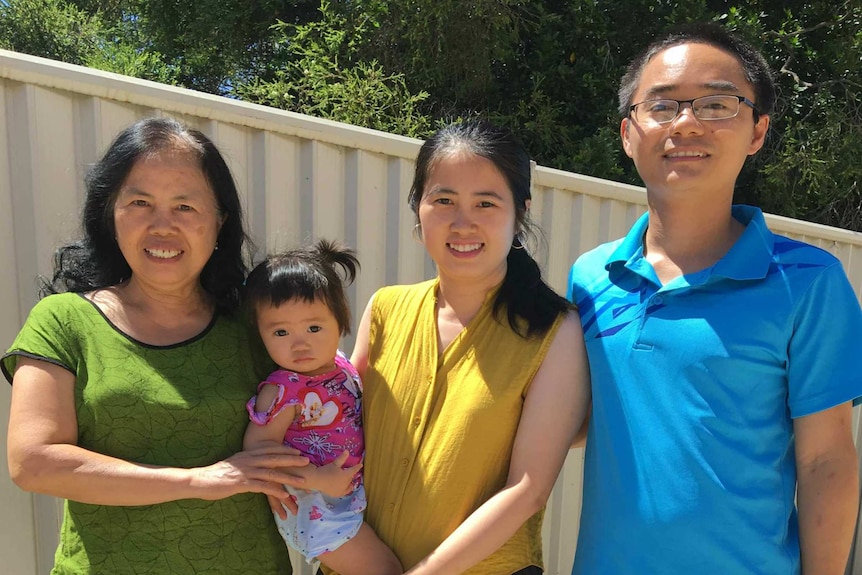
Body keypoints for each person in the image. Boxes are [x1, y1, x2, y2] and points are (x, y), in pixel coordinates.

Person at [567, 22, 862, 575]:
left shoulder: (808, 282)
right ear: (628, 134)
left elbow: (825, 461)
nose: (686, 123)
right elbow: (574, 421)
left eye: (717, 105)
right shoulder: (591, 278)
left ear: (757, 131)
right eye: (663, 106)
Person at [2, 117, 309, 574]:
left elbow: (332, 412)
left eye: (185, 207)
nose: (162, 226)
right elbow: (33, 462)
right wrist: (198, 481)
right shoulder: (64, 321)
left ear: (220, 221)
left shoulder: (257, 325)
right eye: (140, 202)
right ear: (111, 213)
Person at [343, 119, 591, 575]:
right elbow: (340, 438)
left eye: (485, 202)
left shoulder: (555, 331)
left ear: (521, 213)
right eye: (443, 200)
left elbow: (528, 489)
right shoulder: (385, 308)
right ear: (418, 208)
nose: (463, 222)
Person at [243, 239, 402, 575]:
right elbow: (258, 453)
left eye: (314, 327)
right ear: (260, 335)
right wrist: (317, 478)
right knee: (386, 568)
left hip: (343, 496)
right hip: (316, 509)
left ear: (340, 320)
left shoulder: (342, 366)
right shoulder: (284, 389)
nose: (301, 343)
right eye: (281, 332)